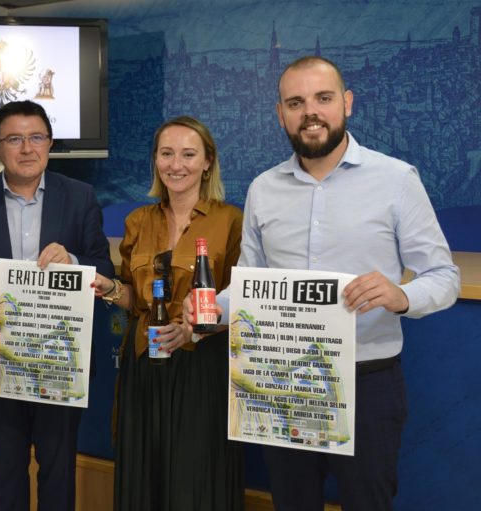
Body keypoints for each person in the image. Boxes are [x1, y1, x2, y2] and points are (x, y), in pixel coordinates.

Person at [186, 56, 460, 511]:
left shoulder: (396, 180)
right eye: (296, 102)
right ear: (281, 114)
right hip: (280, 379)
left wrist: (401, 295)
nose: (310, 112)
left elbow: (444, 276)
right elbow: (250, 284)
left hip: (365, 382)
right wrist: (214, 309)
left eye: (323, 98)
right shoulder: (263, 189)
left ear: (346, 103)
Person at [0, 100, 114, 511]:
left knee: (58, 472)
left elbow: (104, 268)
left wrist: (74, 262)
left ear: (50, 143)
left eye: (36, 137)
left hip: (60, 361)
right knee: (6, 473)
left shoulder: (80, 197)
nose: (27, 148)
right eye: (14, 139)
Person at [92, 116, 244, 511]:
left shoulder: (231, 221)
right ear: (156, 160)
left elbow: (240, 303)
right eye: (166, 154)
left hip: (202, 368)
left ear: (207, 162)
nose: (176, 165)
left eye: (188, 155)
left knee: (194, 480)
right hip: (144, 363)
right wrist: (109, 288)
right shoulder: (138, 220)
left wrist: (192, 330)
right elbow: (134, 297)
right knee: (145, 475)